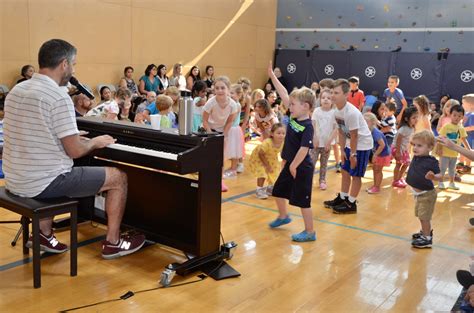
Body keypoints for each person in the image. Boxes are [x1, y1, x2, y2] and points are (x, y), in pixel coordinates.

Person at [3, 39, 145, 258]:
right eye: (74, 64)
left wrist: (67, 134)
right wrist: (95, 142)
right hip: (43, 183)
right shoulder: (58, 96)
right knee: (119, 178)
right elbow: (75, 152)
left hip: (15, 177)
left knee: (51, 164)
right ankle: (113, 242)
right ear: (63, 64)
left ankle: (43, 234)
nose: (74, 69)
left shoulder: (17, 90)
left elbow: (33, 130)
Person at [267, 61, 316, 242]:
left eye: (293, 104)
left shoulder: (307, 126)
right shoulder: (294, 115)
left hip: (302, 168)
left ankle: (310, 232)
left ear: (305, 106)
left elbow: (304, 149)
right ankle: (283, 216)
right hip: (290, 165)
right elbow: (283, 94)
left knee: (303, 202)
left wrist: (294, 165)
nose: (290, 106)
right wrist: (273, 76)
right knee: (278, 191)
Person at [323, 79, 373, 214]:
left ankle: (351, 203)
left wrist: (353, 154)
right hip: (350, 143)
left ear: (346, 95)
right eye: (332, 92)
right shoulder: (336, 111)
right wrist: (342, 150)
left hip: (361, 145)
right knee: (345, 171)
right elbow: (341, 131)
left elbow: (355, 135)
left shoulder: (351, 112)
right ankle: (343, 197)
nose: (333, 95)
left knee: (355, 175)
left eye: (337, 93)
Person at [202, 76, 239, 192]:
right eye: (217, 88)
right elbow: (204, 120)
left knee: (220, 157)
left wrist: (224, 135)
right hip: (209, 130)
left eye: (223, 88)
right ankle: (205, 180)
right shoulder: (210, 103)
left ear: (228, 89)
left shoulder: (233, 105)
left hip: (222, 131)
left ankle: (219, 181)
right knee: (208, 157)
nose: (219, 90)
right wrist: (209, 134)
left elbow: (229, 121)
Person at [407, 130, 442, 248]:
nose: (415, 148)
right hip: (419, 194)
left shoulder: (431, 161)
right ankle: (424, 232)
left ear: (430, 147)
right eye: (414, 145)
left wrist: (433, 176)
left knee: (424, 217)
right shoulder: (417, 157)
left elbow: (440, 176)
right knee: (420, 215)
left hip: (427, 195)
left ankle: (427, 239)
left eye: (419, 145)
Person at [248, 123, 285, 199]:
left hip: (271, 157)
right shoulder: (267, 142)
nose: (281, 135)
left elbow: (283, 153)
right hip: (259, 157)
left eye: (283, 133)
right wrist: (267, 165)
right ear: (272, 134)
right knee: (262, 172)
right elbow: (260, 153)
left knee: (274, 172)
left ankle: (270, 188)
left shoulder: (283, 143)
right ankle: (259, 190)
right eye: (278, 133)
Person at [437, 105, 470, 190]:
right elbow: (440, 138)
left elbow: (463, 139)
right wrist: (439, 149)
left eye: (459, 116)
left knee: (452, 170)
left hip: (454, 154)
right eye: (454, 115)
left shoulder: (461, 128)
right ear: (450, 115)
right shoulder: (446, 126)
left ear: (462, 117)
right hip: (444, 153)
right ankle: (440, 182)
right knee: (443, 169)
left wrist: (469, 150)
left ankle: (451, 183)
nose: (456, 118)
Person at [311, 89, 337, 190]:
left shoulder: (334, 113)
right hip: (316, 143)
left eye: (328, 98)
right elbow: (313, 125)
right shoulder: (317, 111)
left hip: (327, 144)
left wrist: (329, 142)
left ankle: (322, 180)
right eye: (323, 98)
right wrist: (315, 138)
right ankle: (308, 179)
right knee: (312, 162)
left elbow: (336, 129)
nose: (325, 100)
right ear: (320, 99)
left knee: (324, 163)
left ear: (332, 101)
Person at [391, 107, 419, 188]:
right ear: (407, 119)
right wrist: (398, 152)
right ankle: (395, 181)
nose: (416, 119)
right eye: (414, 118)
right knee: (398, 164)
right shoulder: (404, 129)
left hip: (403, 149)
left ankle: (399, 178)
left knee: (406, 163)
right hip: (398, 148)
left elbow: (408, 138)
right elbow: (398, 140)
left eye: (417, 117)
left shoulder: (412, 127)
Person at [364, 112, 391, 194]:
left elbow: (382, 145)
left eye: (366, 122)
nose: (363, 124)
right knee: (375, 169)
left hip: (382, 154)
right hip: (378, 153)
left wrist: (375, 155)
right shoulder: (370, 131)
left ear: (372, 123)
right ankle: (375, 185)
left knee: (378, 170)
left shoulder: (376, 133)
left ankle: (377, 187)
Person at [223, 84, 245, 178]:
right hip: (230, 128)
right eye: (230, 93)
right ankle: (232, 167)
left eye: (232, 93)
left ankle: (233, 169)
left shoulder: (237, 105)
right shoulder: (232, 104)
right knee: (230, 149)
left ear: (239, 95)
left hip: (233, 129)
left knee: (235, 150)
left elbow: (232, 118)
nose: (230, 95)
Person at [458, 94, 474, 173]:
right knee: (462, 151)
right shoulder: (466, 114)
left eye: (464, 103)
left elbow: (472, 127)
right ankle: (461, 164)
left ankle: (467, 166)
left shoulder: (472, 115)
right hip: (464, 137)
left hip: (469, 137)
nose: (462, 105)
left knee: (468, 152)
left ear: (470, 105)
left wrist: (462, 129)